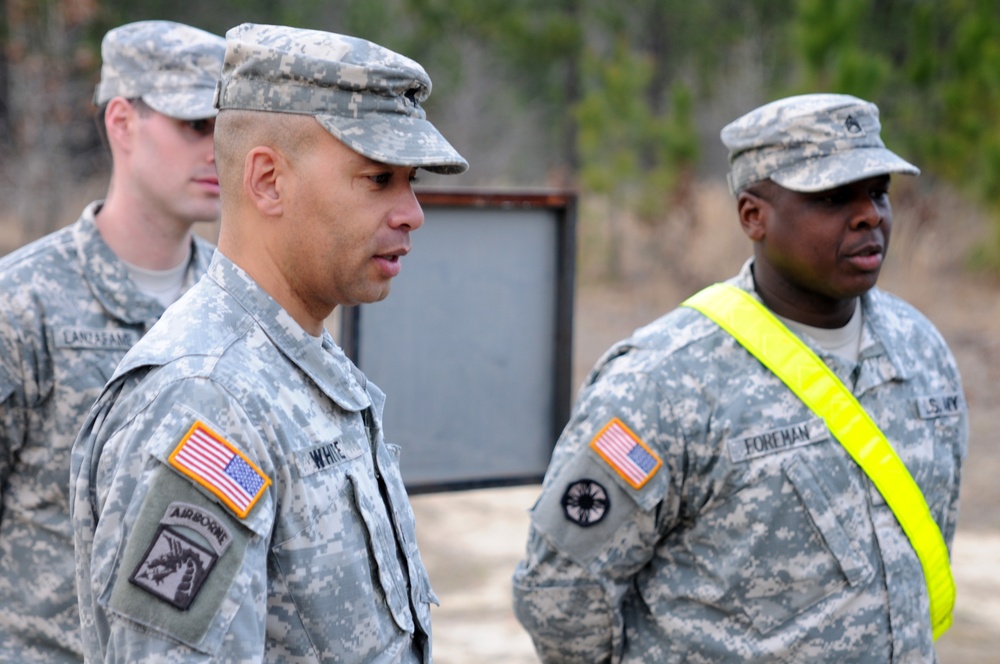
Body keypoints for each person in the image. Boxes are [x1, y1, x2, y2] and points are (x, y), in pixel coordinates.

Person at [512, 93, 968, 662]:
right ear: (753, 215)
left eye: (878, 192)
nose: (870, 215)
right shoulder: (665, 382)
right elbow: (560, 593)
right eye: (832, 197)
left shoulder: (921, 349)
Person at [70, 22, 468, 662]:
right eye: (377, 179)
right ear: (267, 180)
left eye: (410, 180)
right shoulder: (205, 398)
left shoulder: (297, 361)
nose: (411, 212)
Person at [0, 20, 224, 663]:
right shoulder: (25, 304)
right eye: (193, 126)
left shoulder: (237, 307)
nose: (217, 151)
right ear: (122, 122)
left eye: (226, 129)